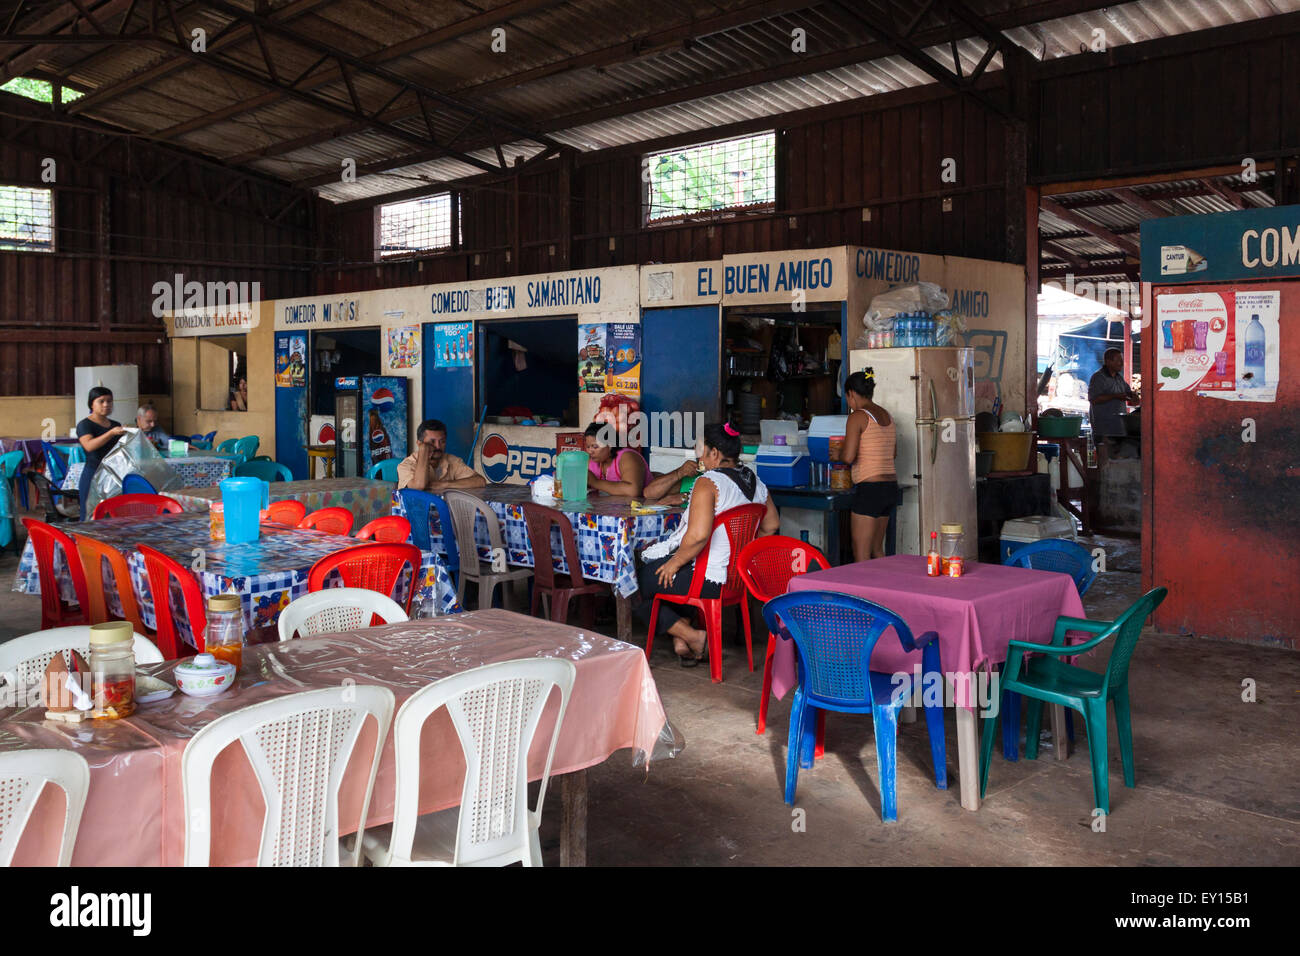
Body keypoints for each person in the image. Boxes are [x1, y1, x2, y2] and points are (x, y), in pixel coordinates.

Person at [636, 422, 780, 665]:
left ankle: (693, 635)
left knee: (636, 584)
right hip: (737, 578)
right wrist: (741, 560)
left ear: (714, 453)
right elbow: (772, 525)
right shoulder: (754, 481)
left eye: (702, 451)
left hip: (707, 580)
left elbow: (698, 536)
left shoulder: (709, 481)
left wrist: (676, 561)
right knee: (660, 579)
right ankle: (681, 639)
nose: (699, 457)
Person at [839, 369, 897, 561]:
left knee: (861, 554)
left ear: (851, 394)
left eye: (847, 398)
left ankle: (861, 593)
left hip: (870, 489)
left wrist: (836, 453)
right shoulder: (887, 416)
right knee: (878, 551)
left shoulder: (858, 416)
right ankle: (884, 591)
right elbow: (893, 453)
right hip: (889, 488)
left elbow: (848, 457)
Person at [76, 386, 126, 520]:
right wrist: (111, 433)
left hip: (113, 475)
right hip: (93, 474)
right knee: (89, 514)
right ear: (91, 403)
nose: (106, 405)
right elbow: (89, 446)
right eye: (101, 401)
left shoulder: (115, 424)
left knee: (112, 514)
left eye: (109, 401)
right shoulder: (84, 425)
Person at [397, 419, 486, 492]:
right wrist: (423, 450)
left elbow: (480, 481)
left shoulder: (452, 460)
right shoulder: (405, 465)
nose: (438, 446)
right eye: (432, 442)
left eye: (442, 441)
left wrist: (444, 484)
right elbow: (419, 486)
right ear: (419, 444)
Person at [584, 422, 646, 498]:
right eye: (588, 446)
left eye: (595, 447)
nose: (590, 451)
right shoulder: (592, 461)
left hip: (644, 507)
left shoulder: (627, 457)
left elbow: (633, 491)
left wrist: (595, 482)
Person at [1088, 347, 1138, 441]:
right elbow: (1094, 399)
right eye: (1119, 360)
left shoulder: (1119, 378)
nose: (1122, 364)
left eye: (1122, 360)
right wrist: (1116, 396)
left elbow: (1127, 392)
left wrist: (1133, 396)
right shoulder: (1098, 377)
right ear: (1108, 362)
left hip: (1119, 427)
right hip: (1103, 429)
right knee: (1104, 454)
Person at [643, 438, 704, 506]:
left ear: (715, 452)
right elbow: (649, 493)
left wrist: (686, 497)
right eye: (698, 447)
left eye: (703, 448)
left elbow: (715, 495)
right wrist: (679, 473)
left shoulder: (717, 477)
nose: (699, 452)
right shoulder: (693, 475)